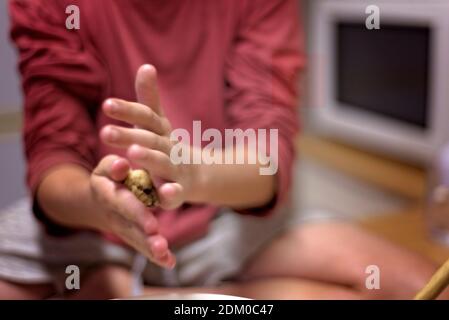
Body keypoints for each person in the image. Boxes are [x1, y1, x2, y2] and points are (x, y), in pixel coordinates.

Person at [0, 0, 438, 299]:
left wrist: (196, 175)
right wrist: (101, 203)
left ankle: (139, 292)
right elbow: (52, 158)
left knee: (418, 282)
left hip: (223, 219)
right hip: (86, 229)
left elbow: (269, 148)